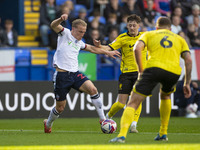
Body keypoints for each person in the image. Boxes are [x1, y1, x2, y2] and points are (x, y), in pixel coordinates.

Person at [109, 16, 192, 143]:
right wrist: (187, 82)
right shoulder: (180, 39)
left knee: (133, 102)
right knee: (165, 97)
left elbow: (137, 48)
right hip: (173, 71)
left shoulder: (149, 34)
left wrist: (141, 71)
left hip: (153, 69)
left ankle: (121, 135)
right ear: (170, 28)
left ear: (157, 27)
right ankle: (163, 133)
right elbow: (189, 60)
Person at [43, 14, 121, 133]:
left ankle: (103, 119)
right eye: (80, 31)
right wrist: (60, 19)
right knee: (60, 108)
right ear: (73, 29)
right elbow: (53, 25)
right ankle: (48, 124)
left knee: (93, 90)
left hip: (75, 74)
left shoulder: (79, 42)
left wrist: (107, 52)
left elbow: (92, 48)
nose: (82, 34)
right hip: (61, 76)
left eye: (84, 32)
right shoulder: (65, 33)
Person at [93, 14, 147, 133]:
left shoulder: (145, 37)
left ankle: (133, 125)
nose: (132, 28)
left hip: (140, 73)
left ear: (138, 26)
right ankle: (108, 117)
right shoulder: (122, 38)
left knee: (137, 99)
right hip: (126, 73)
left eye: (134, 25)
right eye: (130, 25)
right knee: (121, 103)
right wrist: (99, 46)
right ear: (127, 26)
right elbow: (110, 48)